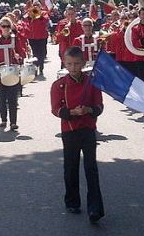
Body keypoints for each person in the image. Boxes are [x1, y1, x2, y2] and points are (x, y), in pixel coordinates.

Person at [50, 46, 104, 224]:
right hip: (70, 131)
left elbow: (99, 107)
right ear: (64, 64)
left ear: (83, 63)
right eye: (69, 64)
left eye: (76, 64)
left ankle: (95, 207)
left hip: (88, 129)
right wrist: (72, 112)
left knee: (91, 168)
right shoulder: (59, 85)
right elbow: (56, 109)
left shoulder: (93, 83)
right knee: (71, 167)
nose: (73, 67)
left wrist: (88, 109)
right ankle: (72, 201)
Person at [0, 16, 26, 130]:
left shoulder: (15, 39)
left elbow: (22, 54)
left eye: (8, 26)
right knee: (1, 98)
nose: (6, 28)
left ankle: (13, 122)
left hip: (13, 72)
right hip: (0, 72)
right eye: (3, 26)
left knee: (13, 98)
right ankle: (3, 120)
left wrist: (19, 56)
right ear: (0, 27)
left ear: (11, 27)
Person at [25, 1, 50, 77]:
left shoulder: (43, 13)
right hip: (33, 37)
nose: (35, 7)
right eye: (34, 5)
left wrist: (39, 14)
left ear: (40, 6)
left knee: (42, 53)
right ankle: (35, 67)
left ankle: (41, 67)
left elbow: (46, 20)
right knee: (35, 53)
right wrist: (30, 13)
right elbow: (26, 19)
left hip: (42, 36)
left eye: (37, 6)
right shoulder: (30, 12)